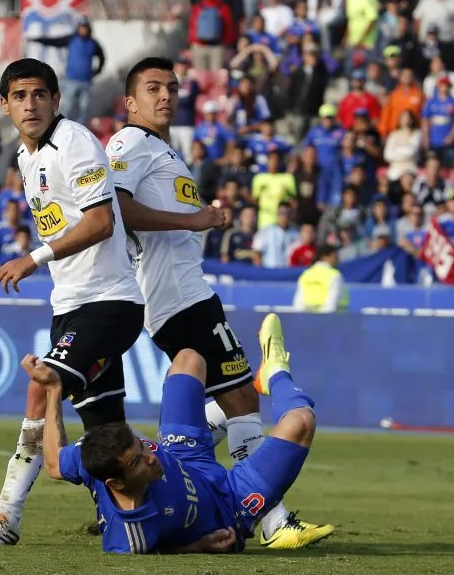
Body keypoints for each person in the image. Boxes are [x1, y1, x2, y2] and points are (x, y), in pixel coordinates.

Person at [105, 57, 333, 547]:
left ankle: (168, 466)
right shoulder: (130, 142)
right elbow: (116, 209)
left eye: (171, 87)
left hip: (187, 293)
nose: (165, 95)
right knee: (241, 398)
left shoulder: (165, 152)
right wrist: (193, 221)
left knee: (239, 399)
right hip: (176, 298)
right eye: (152, 88)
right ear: (130, 102)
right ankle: (272, 521)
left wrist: (200, 218)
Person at [0, 58, 145, 547]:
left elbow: (101, 222)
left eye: (39, 95)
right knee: (107, 432)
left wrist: (33, 258)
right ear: (5, 105)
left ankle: (6, 516)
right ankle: (132, 515)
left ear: (56, 100)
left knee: (42, 385)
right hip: (71, 305)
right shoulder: (26, 157)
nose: (30, 104)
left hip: (109, 302)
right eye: (20, 96)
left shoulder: (75, 141)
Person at [25, 313, 319, 554]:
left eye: (142, 446)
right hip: (229, 504)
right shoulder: (132, 533)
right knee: (301, 421)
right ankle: (277, 373)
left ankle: (239, 402)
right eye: (137, 461)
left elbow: (53, 463)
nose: (151, 456)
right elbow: (159, 550)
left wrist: (53, 390)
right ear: (115, 482)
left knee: (189, 359)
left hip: (183, 453)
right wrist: (198, 546)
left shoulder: (94, 457)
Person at [293, 243, 347, 313]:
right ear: (324, 256)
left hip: (308, 319)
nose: (337, 259)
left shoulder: (306, 274)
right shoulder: (335, 275)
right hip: (333, 320)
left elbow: (298, 304)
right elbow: (331, 303)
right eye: (334, 255)